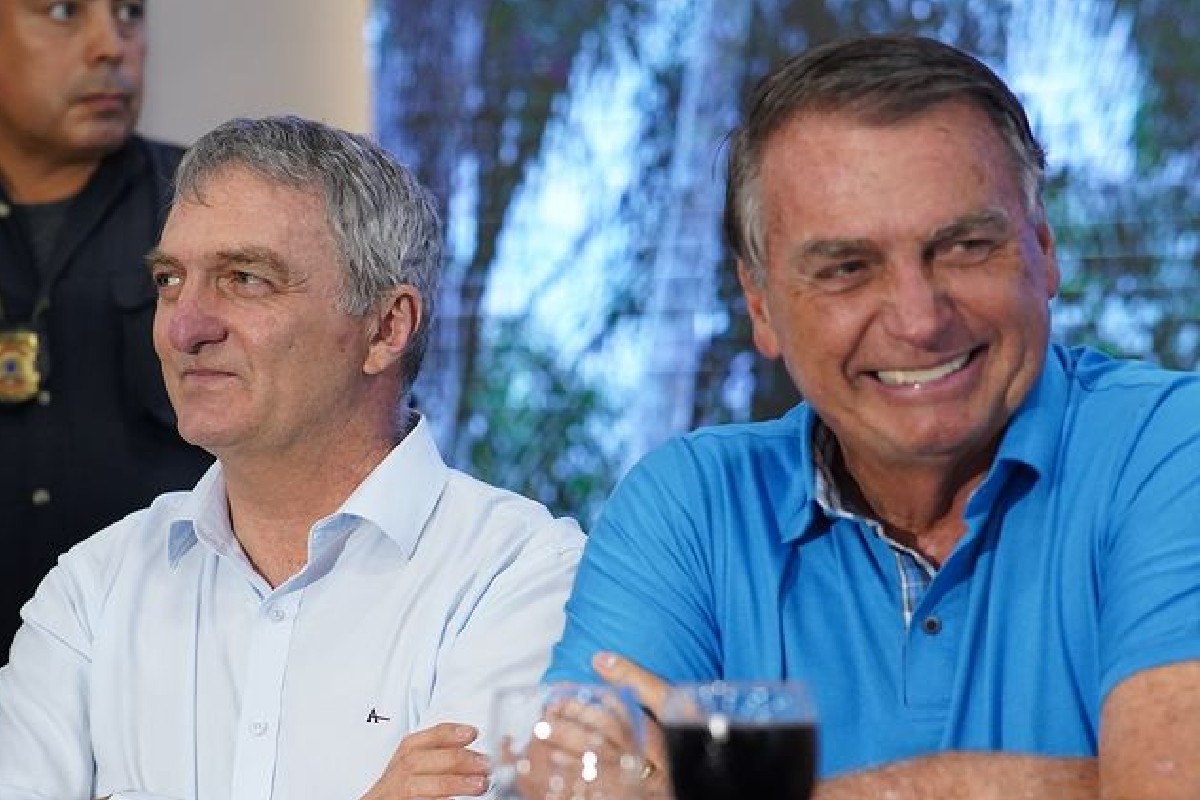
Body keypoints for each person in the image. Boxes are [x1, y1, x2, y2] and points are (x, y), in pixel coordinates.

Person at [546, 34, 1200, 799]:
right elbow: (584, 787)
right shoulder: (691, 505)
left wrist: (746, 791)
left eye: (964, 247)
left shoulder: (1172, 447)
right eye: (848, 269)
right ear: (761, 304)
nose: (920, 320)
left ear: (1044, 251)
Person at [0, 115, 584, 800]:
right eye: (169, 279)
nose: (184, 327)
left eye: (244, 279)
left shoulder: (517, 576)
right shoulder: (92, 592)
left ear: (385, 328)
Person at [0, 0, 212, 655]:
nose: (111, 45)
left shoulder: (207, 209)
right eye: (64, 11)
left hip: (176, 663)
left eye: (129, 13)